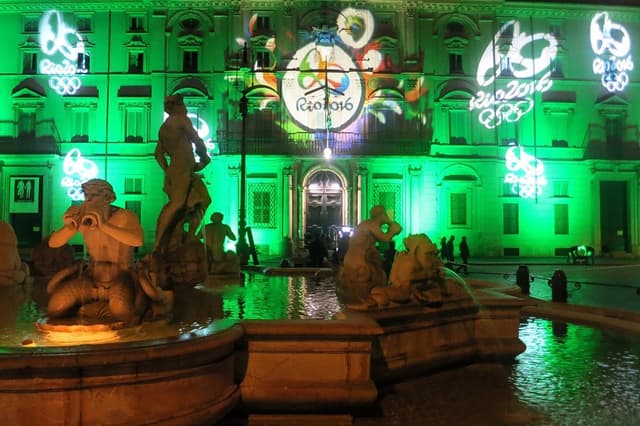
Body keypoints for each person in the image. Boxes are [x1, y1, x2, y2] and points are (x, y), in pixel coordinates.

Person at [47, 179, 145, 321]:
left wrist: (103, 225)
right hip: (92, 277)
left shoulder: (124, 216)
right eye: (87, 194)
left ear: (108, 198)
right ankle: (93, 309)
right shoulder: (83, 217)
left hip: (120, 276)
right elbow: (53, 243)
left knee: (121, 311)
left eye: (94, 195)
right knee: (55, 308)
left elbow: (137, 241)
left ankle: (100, 310)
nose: (89, 199)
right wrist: (70, 227)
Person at [153, 94, 211, 254]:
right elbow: (197, 140)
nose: (185, 108)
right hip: (182, 169)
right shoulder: (180, 120)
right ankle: (158, 244)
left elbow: (158, 154)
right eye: (183, 105)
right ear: (177, 106)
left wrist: (167, 170)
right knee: (177, 204)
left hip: (182, 169)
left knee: (204, 200)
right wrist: (205, 158)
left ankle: (189, 235)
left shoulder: (164, 128)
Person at [340, 205, 402, 290]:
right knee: (370, 283)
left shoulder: (365, 224)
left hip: (351, 258)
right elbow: (385, 239)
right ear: (382, 215)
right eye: (385, 215)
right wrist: (393, 229)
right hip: (359, 259)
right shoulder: (371, 224)